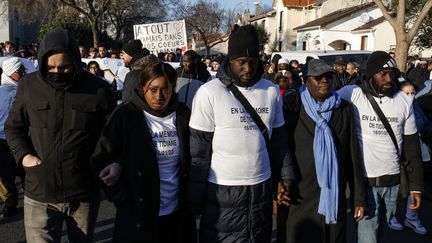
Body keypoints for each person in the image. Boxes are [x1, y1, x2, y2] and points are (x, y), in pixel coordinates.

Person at [4, 28, 116, 243]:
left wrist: (115, 163)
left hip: (83, 193)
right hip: (39, 192)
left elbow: (113, 135)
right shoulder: (28, 86)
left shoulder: (99, 89)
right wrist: (24, 155)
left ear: (75, 61)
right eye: (51, 67)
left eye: (64, 67)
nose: (57, 72)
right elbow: (13, 127)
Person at [186, 24, 289, 242]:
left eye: (252, 62)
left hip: (261, 183)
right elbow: (199, 151)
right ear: (229, 60)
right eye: (241, 62)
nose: (247, 69)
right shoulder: (210, 92)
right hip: (222, 187)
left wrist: (284, 178)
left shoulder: (270, 91)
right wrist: (196, 195)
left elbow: (279, 141)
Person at [91, 61, 196, 243]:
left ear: (173, 88)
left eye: (165, 89)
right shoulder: (125, 115)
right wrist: (123, 199)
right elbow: (100, 160)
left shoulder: (183, 115)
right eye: (153, 89)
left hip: (176, 217)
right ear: (142, 88)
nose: (159, 96)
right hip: (138, 217)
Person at [337, 51, 423, 243]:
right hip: (365, 183)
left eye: (391, 73)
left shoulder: (403, 101)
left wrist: (416, 186)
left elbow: (411, 147)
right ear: (370, 75)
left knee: (381, 231)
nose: (388, 79)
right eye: (382, 74)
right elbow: (324, 102)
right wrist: (294, 98)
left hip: (393, 182)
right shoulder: (353, 94)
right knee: (368, 237)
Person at [277, 59, 367, 243]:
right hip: (300, 196)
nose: (324, 80)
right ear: (306, 80)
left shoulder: (344, 109)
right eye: (318, 77)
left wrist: (359, 198)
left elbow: (352, 157)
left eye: (328, 76)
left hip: (334, 196)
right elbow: (281, 149)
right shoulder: (293, 107)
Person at [387, 80, 429, 235]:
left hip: (417, 152)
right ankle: (390, 215)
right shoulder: (394, 108)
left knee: (415, 185)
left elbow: (424, 123)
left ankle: (411, 217)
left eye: (412, 93)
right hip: (398, 153)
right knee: (397, 187)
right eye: (406, 93)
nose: (410, 96)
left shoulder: (415, 107)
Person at [0, 58, 25, 218]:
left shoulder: (26, 90)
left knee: (26, 171)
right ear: (10, 73)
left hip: (23, 138)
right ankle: (10, 203)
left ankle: (32, 200)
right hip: (2, 140)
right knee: (4, 174)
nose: (23, 74)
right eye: (19, 71)